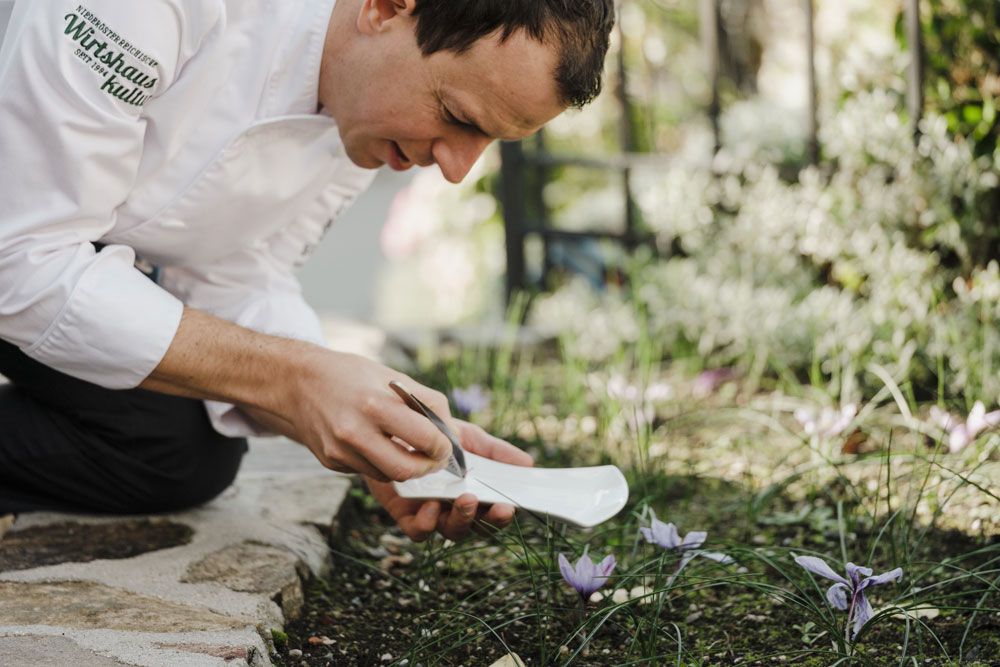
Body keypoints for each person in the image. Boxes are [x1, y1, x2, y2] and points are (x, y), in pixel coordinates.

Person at [0, 0, 614, 542]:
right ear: (386, 8)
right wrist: (293, 378)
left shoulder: (366, 110)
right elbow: (22, 262)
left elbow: (238, 271)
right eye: (458, 116)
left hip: (70, 253)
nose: (457, 169)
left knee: (178, 453)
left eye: (490, 142)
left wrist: (368, 420)